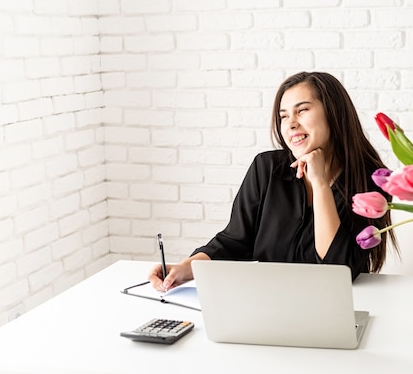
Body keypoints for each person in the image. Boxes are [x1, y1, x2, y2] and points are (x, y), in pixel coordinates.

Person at [148, 71, 396, 292]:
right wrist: (186, 268)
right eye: (284, 116)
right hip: (266, 304)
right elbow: (235, 240)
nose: (291, 124)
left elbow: (338, 270)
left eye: (302, 110)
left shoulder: (372, 182)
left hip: (332, 309)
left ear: (333, 113)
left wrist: (320, 183)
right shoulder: (267, 169)